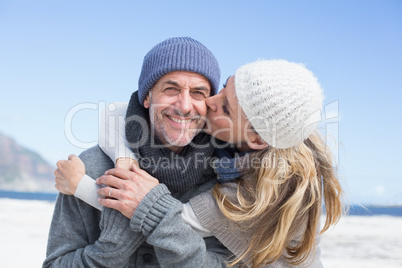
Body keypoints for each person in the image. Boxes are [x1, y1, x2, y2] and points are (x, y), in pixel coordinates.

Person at [54, 59, 344, 267]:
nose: (201, 104)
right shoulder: (93, 163)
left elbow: (157, 214)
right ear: (145, 96)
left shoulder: (245, 194)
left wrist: (81, 187)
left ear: (257, 140)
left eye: (203, 94)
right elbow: (116, 113)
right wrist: (124, 158)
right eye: (170, 88)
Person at [44, 37, 233, 267]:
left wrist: (151, 214)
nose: (184, 106)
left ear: (210, 102)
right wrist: (112, 250)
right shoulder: (92, 168)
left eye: (198, 93)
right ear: (147, 97)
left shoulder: (226, 182)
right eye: (171, 89)